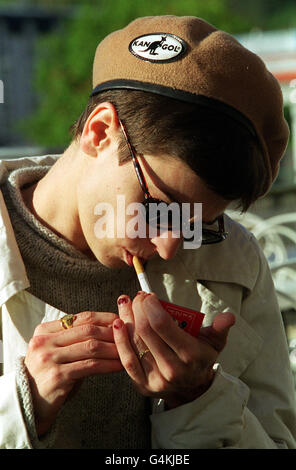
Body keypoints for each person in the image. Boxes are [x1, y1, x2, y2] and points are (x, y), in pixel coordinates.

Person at [0, 15, 296, 449]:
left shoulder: (234, 263)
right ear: (99, 132)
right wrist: (22, 404)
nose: (171, 243)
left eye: (202, 224)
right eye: (160, 208)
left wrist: (197, 401)